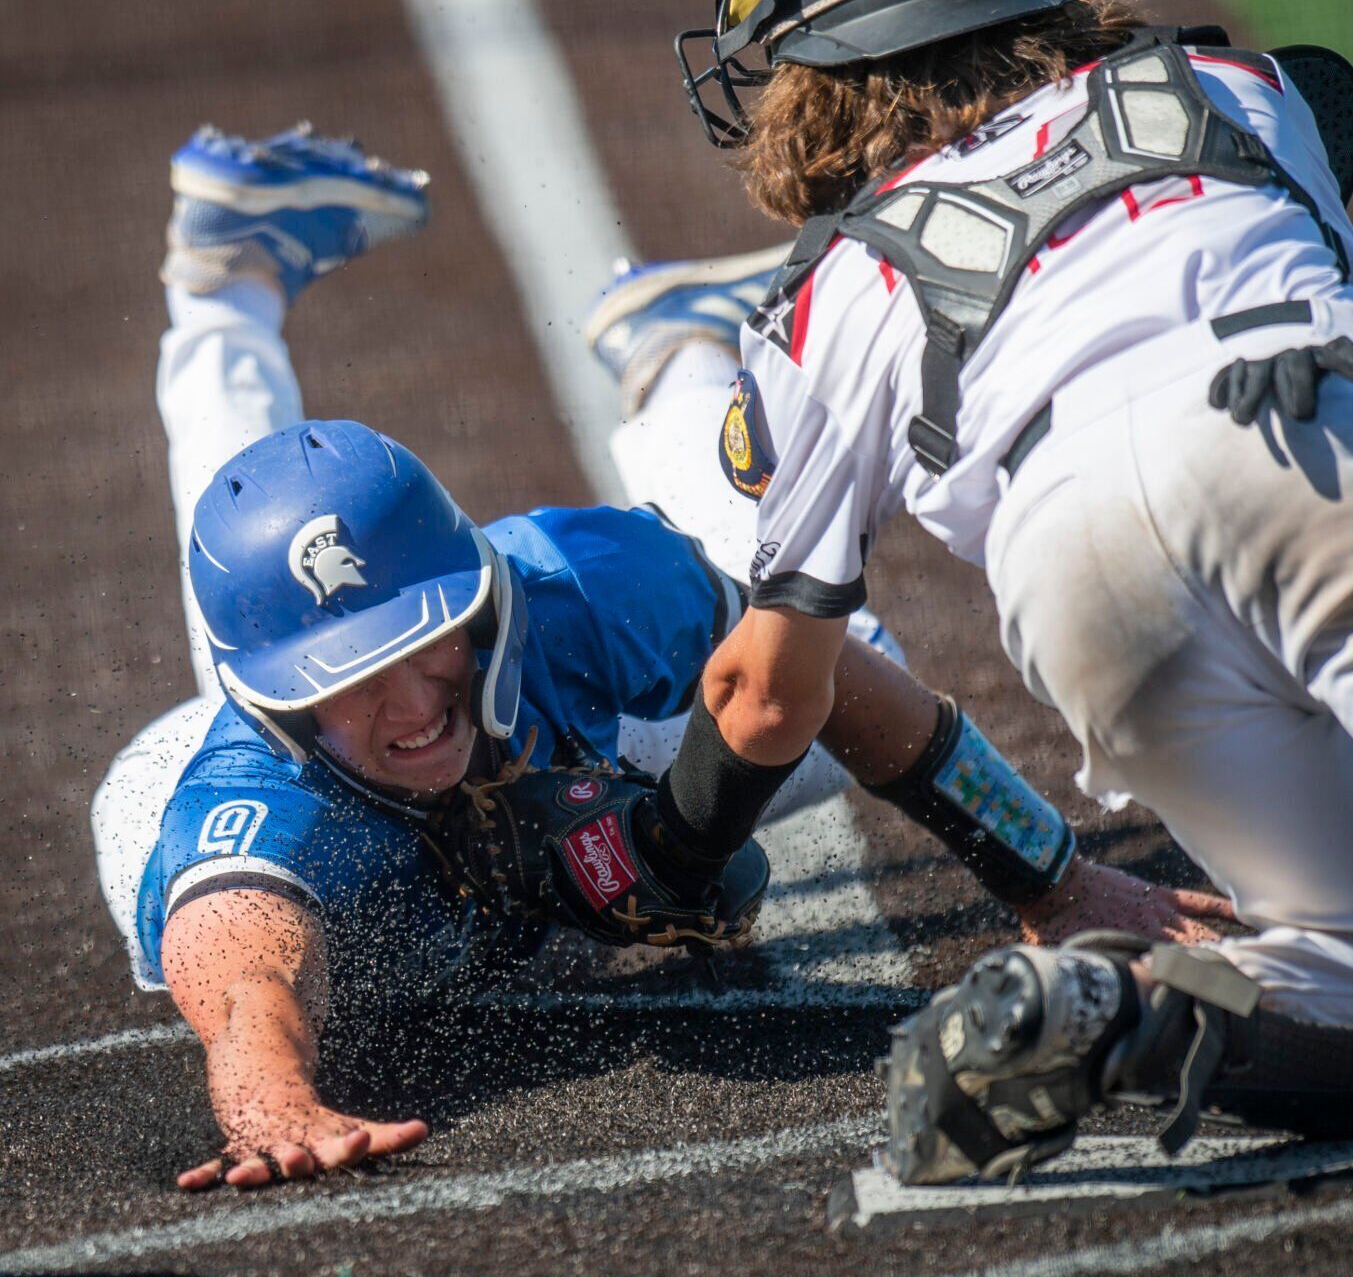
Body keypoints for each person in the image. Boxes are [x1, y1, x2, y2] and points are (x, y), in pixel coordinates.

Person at [91, 125, 1226, 1191]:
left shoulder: (577, 580)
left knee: (828, 651)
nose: (402, 703)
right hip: (283, 839)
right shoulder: (244, 798)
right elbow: (243, 977)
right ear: (284, 708)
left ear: (480, 595)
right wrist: (270, 1103)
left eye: (415, 643)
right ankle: (228, 287)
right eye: (339, 682)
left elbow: (818, 675)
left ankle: (678, 346)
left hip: (535, 726)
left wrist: (1054, 877)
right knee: (264, 596)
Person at [640, 0, 1353, 1178]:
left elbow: (769, 699)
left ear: (828, 73)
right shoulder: (1235, 86)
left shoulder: (829, 289)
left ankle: (1111, 1013)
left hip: (1071, 566)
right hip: (1297, 441)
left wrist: (662, 860)